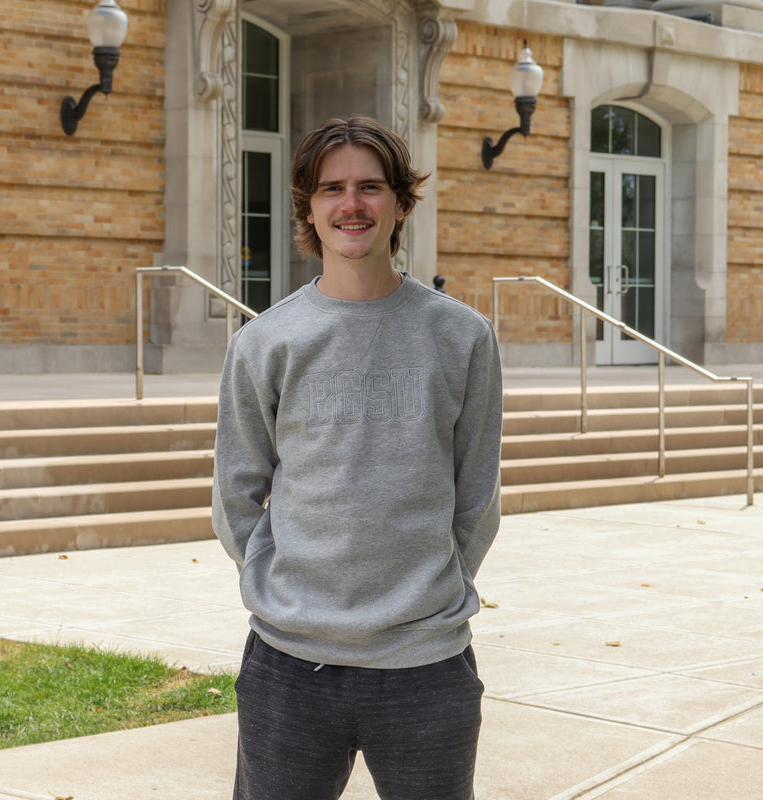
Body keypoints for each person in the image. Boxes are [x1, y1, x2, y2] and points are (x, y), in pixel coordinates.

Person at [212, 115, 502, 800]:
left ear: (401, 203)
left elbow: (476, 494)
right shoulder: (266, 342)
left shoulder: (462, 336)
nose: (352, 204)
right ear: (308, 208)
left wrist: (430, 590)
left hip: (426, 665)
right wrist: (285, 589)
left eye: (371, 187)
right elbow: (237, 493)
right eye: (332, 189)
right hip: (289, 664)